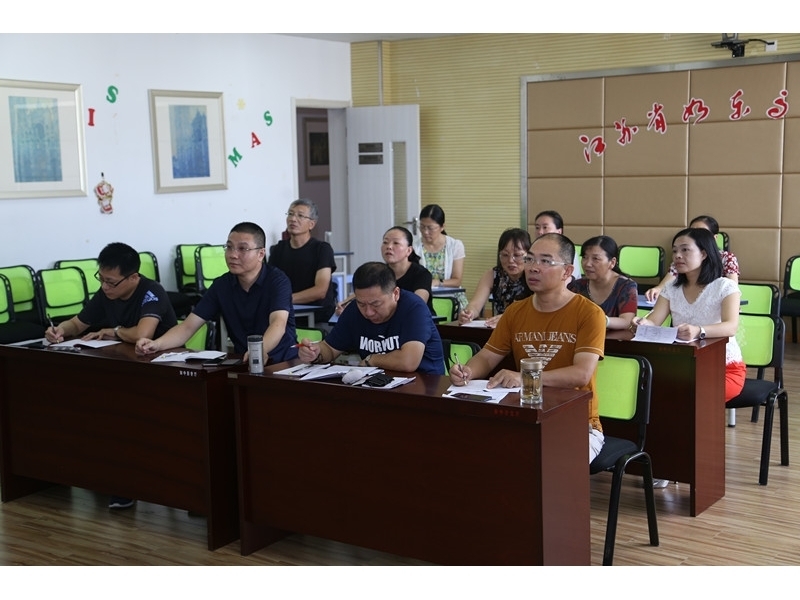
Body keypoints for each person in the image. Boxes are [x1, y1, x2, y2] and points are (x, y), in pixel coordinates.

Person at [449, 233, 606, 463]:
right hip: (527, 415)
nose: (533, 267)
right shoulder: (515, 312)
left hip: (578, 422)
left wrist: (526, 378)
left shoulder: (589, 313)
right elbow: (487, 357)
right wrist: (468, 371)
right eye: (530, 259)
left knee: (553, 465)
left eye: (545, 261)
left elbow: (581, 374)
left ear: (567, 271)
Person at [45, 242, 178, 510]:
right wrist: (60, 330)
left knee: (123, 416)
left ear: (133, 278)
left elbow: (143, 334)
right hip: (123, 369)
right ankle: (108, 475)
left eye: (111, 282)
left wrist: (113, 330)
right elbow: (78, 323)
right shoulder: (107, 292)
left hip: (160, 373)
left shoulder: (152, 292)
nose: (105, 287)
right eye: (102, 279)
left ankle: (129, 483)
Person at [136, 221, 298, 364]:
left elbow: (278, 323)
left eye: (242, 249)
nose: (233, 255)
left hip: (283, 363)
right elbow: (188, 327)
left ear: (260, 254)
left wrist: (259, 351)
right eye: (229, 247)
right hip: (245, 362)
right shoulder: (222, 285)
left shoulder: (277, 281)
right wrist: (156, 344)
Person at [633, 227, 745, 401]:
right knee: (650, 391)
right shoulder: (671, 288)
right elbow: (654, 321)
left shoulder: (725, 286)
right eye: (675, 251)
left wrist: (699, 330)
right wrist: (642, 323)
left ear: (704, 254)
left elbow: (731, 327)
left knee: (690, 395)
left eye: (685, 250)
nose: (678, 256)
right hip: (684, 365)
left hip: (723, 367)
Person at [298, 262, 445, 375]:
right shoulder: (354, 311)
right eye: (361, 304)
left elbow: (408, 362)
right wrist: (315, 353)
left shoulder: (414, 308)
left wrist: (372, 359)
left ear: (395, 294)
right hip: (377, 384)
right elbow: (330, 349)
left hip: (424, 385)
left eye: (376, 304)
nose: (368, 312)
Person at [268, 199, 338, 323]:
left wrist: (285, 299)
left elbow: (320, 291)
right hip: (286, 316)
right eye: (290, 214)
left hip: (317, 318)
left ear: (311, 224)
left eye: (300, 215)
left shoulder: (322, 249)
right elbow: (270, 284)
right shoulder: (278, 249)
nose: (293, 219)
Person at [335, 226, 433, 315]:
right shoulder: (379, 272)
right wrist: (344, 304)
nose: (389, 247)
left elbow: (417, 304)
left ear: (409, 250)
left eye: (396, 243)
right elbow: (364, 293)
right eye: (385, 242)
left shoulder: (422, 274)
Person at [645, 215, 739, 302]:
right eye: (692, 231)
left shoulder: (727, 258)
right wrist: (657, 289)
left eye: (701, 233)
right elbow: (666, 283)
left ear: (714, 238)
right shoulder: (681, 258)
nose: (694, 236)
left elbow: (732, 290)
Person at [458, 227, 532, 328]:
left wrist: (508, 317)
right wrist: (469, 313)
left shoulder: (534, 276)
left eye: (517, 255)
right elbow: (475, 305)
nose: (510, 260)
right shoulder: (492, 275)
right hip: (499, 329)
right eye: (505, 255)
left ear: (529, 255)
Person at [568, 235, 638, 330]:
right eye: (584, 257)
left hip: (613, 338)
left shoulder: (626, 286)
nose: (587, 264)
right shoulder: (576, 286)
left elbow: (627, 321)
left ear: (612, 262)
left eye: (595, 259)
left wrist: (601, 320)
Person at [413, 203, 467, 309]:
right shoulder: (414, 247)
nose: (425, 232)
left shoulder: (455, 245)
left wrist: (437, 282)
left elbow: (457, 281)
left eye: (430, 228)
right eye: (422, 227)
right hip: (425, 298)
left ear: (442, 227)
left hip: (451, 298)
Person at [533, 209, 582, 276]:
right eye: (537, 227)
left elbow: (570, 278)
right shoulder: (532, 250)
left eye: (545, 227)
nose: (540, 232)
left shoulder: (567, 251)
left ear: (559, 231)